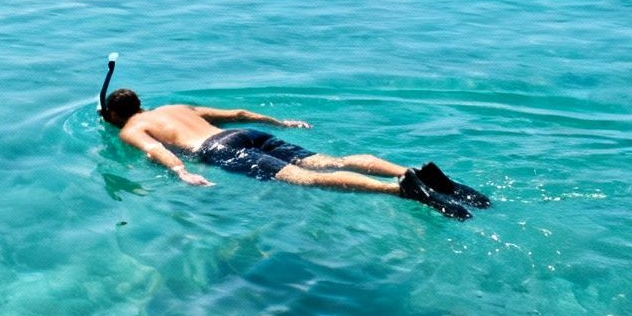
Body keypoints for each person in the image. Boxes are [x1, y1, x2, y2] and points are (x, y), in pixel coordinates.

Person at [98, 84, 490, 220]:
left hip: (216, 150)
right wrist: (282, 123)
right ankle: (410, 170)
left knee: (309, 179)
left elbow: (153, 151)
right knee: (327, 162)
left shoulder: (132, 127)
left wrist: (181, 172)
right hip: (243, 133)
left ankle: (403, 188)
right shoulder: (175, 108)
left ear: (115, 114)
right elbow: (237, 113)